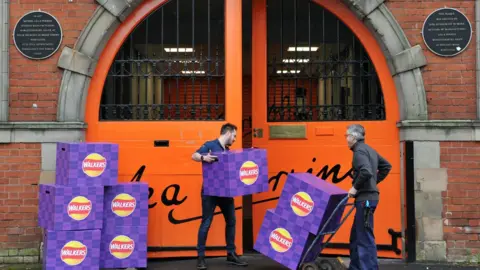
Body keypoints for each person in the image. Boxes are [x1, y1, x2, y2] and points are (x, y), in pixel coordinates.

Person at [191, 123, 248, 270]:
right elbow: (194, 155)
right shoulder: (210, 145)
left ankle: (231, 253)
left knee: (231, 221)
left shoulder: (227, 151)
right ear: (228, 133)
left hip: (225, 192)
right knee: (206, 222)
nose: (235, 139)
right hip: (210, 192)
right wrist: (204, 158)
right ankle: (201, 257)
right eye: (234, 135)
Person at [345, 124, 392, 270]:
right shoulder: (369, 149)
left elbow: (365, 171)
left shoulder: (359, 151)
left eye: (347, 136)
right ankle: (356, 267)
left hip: (365, 199)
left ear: (353, 137)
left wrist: (355, 187)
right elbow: (386, 166)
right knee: (356, 236)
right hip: (368, 198)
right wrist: (373, 183)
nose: (346, 139)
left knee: (364, 238)